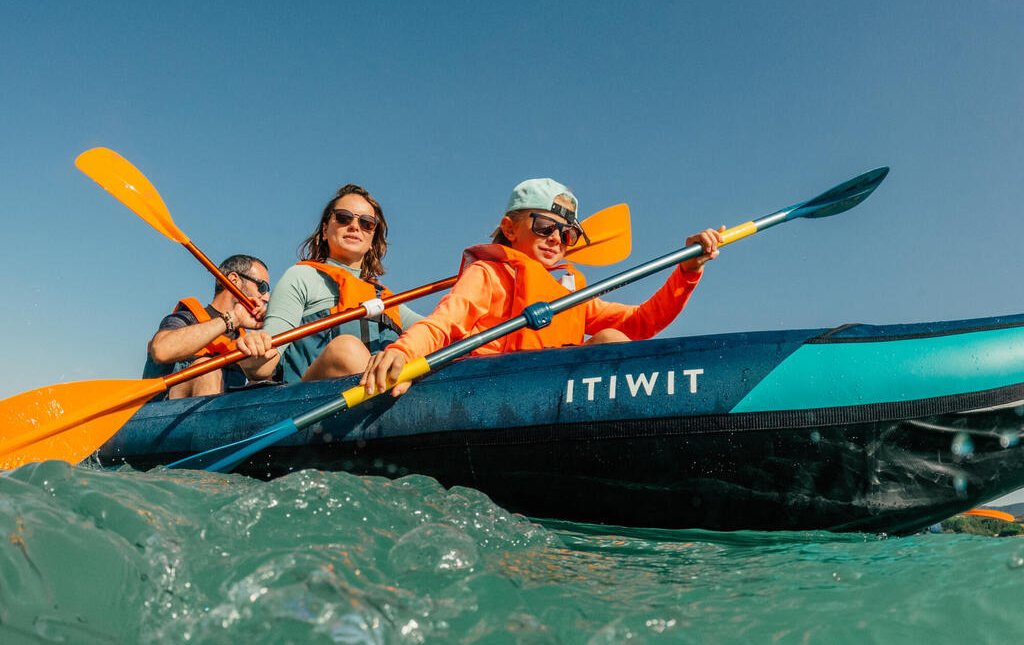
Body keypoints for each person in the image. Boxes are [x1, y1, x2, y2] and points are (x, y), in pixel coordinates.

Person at [359, 178, 721, 396]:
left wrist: (687, 271)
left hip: (551, 390)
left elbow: (642, 322)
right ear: (511, 228)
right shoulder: (489, 274)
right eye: (545, 227)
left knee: (612, 338)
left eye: (567, 234)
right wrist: (404, 353)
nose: (556, 239)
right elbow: (443, 323)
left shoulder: (570, 291)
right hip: (492, 388)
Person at [262, 184, 424, 383]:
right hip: (310, 403)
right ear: (324, 229)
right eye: (343, 218)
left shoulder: (386, 299)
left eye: (367, 223)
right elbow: (264, 364)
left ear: (373, 239)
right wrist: (255, 350)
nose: (355, 226)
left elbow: (436, 331)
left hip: (373, 404)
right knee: (346, 349)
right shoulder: (301, 276)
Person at [143, 254, 279, 399]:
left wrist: (268, 331)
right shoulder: (187, 317)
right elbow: (161, 350)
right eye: (262, 287)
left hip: (223, 414)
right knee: (205, 368)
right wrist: (232, 319)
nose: (266, 297)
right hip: (167, 412)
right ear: (234, 280)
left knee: (261, 385)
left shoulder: (245, 339)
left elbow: (262, 375)